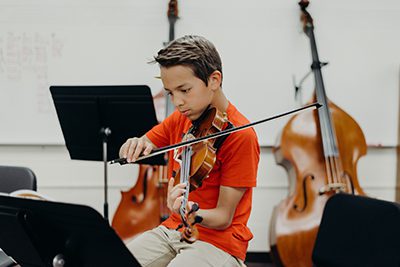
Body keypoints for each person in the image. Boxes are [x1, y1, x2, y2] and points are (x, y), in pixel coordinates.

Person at [120, 35, 260, 267]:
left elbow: (224, 218)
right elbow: (148, 141)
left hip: (218, 242)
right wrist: (135, 143)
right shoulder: (182, 118)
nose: (177, 102)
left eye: (185, 90)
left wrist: (188, 211)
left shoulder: (240, 136)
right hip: (173, 230)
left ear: (214, 80)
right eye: (170, 93)